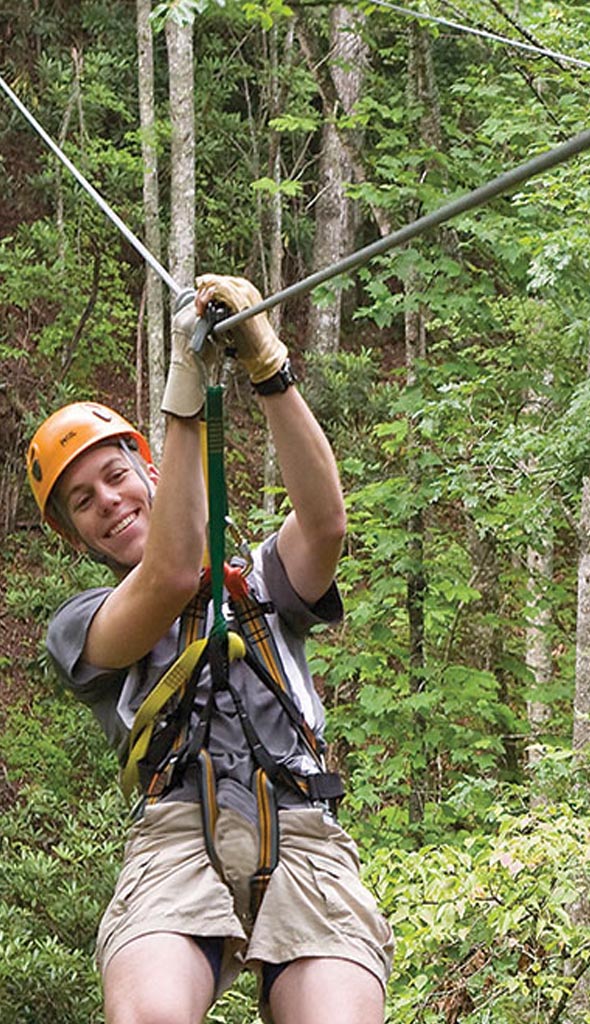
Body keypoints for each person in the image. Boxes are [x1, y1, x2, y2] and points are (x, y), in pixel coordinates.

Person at [26, 275, 393, 1023]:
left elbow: (324, 527)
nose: (110, 503)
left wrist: (269, 366)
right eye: (84, 503)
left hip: (302, 828)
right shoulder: (82, 629)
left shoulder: (257, 581)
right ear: (72, 535)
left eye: (116, 475)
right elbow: (166, 574)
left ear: (150, 471)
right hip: (175, 841)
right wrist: (184, 387)